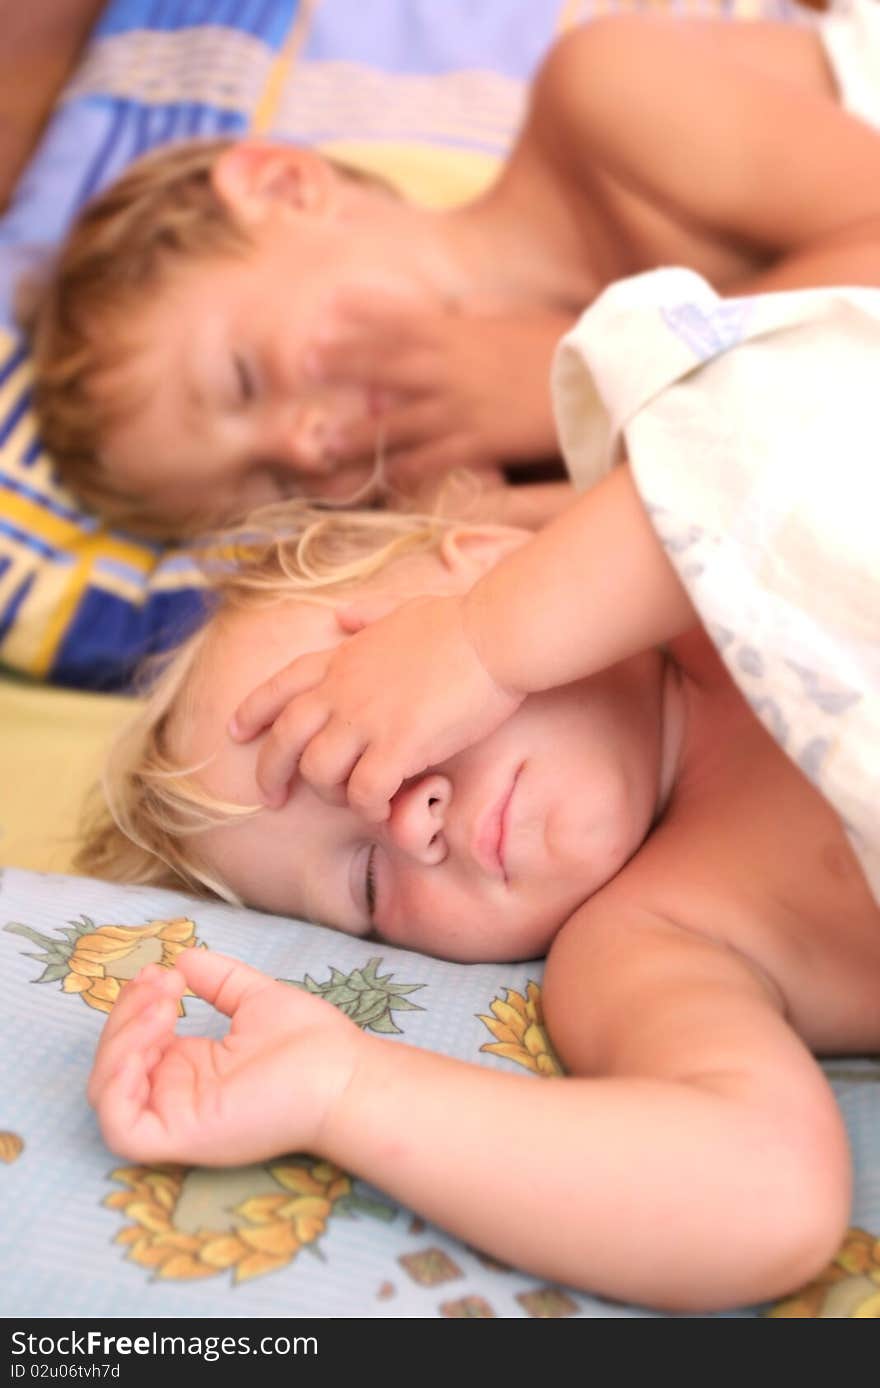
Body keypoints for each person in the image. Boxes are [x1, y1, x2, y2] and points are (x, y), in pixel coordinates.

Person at [83, 467, 880, 1312]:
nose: (406, 821)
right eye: (365, 880)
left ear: (500, 561)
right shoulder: (649, 941)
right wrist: (342, 1091)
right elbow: (765, 1195)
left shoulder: (736, 528)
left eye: (362, 725)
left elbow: (777, 428)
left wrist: (484, 640)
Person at [25, 1, 880, 536]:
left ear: (284, 188)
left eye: (243, 380)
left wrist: (566, 373)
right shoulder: (531, 464)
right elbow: (733, 529)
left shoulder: (604, 94)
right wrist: (511, 520)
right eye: (277, 487)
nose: (305, 443)